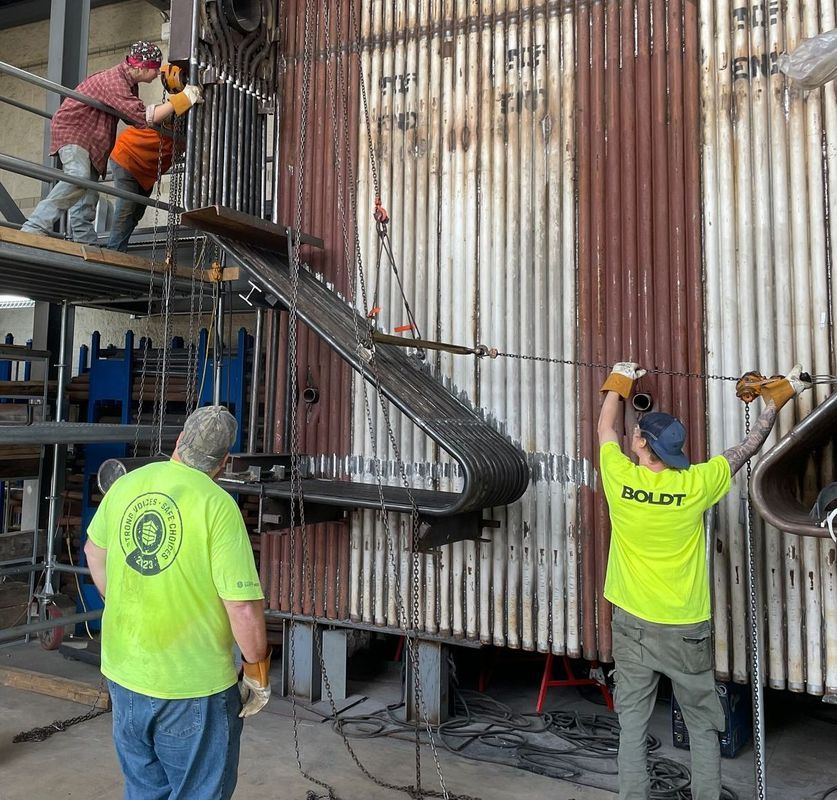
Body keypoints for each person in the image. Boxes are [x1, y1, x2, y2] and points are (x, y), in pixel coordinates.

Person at [596, 361, 811, 800]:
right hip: (685, 629)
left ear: (639, 444)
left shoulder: (619, 478)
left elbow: (604, 429)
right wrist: (780, 394)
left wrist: (619, 381)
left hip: (632, 624)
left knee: (632, 727)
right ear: (671, 454)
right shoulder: (696, 484)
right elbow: (748, 447)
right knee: (702, 727)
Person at [84, 405, 271, 800]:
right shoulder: (218, 506)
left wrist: (119, 603)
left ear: (178, 442)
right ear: (224, 462)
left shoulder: (126, 484)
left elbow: (92, 552)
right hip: (192, 688)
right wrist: (257, 669)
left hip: (124, 674)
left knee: (144, 789)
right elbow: (241, 606)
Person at [21, 41, 201, 245]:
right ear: (142, 67)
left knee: (88, 192)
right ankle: (34, 227)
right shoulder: (115, 82)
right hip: (75, 131)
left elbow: (133, 117)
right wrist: (183, 99)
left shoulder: (129, 84)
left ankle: (84, 241)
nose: (157, 74)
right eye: (154, 68)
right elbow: (142, 117)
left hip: (93, 139)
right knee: (78, 177)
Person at [107, 124, 174, 251]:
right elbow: (157, 116)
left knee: (136, 213)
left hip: (146, 172)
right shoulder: (173, 112)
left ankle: (119, 248)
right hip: (128, 157)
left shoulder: (194, 129)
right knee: (126, 208)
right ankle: (114, 251)